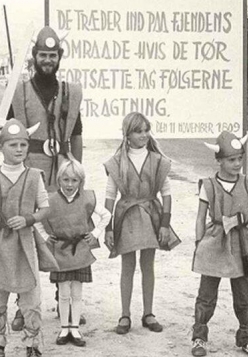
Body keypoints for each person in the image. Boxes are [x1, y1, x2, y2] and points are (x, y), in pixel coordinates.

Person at [9, 25, 84, 330]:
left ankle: (64, 302)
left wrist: (77, 172)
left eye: (53, 55)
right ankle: (21, 306)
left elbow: (76, 133)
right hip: (31, 171)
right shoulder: (21, 91)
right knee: (25, 239)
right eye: (43, 54)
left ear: (59, 57)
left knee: (63, 235)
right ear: (35, 57)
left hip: (63, 170)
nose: (48, 60)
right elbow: (13, 137)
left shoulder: (71, 92)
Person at [0, 118, 58, 357]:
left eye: (23, 145)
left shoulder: (34, 176)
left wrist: (28, 219)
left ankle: (32, 345)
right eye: (13, 145)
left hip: (24, 241)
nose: (19, 150)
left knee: (30, 296)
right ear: (0, 147)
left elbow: (45, 209)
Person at [103, 112, 181, 335]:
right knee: (127, 266)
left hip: (151, 215)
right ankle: (125, 314)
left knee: (148, 265)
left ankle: (148, 313)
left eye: (147, 130)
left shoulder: (158, 160)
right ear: (127, 134)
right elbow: (109, 195)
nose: (144, 135)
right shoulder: (117, 161)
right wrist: (108, 227)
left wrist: (165, 224)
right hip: (126, 215)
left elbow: (166, 193)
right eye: (138, 131)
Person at [190, 131, 248, 357]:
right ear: (219, 161)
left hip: (242, 244)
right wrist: (198, 245)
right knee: (206, 294)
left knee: (243, 296)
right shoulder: (209, 185)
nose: (237, 164)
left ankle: (246, 336)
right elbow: (200, 217)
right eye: (231, 160)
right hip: (215, 242)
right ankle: (199, 337)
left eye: (239, 158)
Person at [42, 159, 111, 347]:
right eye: (65, 180)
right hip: (61, 251)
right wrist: (45, 236)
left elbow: (106, 215)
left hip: (80, 250)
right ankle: (64, 328)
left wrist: (95, 233)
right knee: (63, 292)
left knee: (77, 292)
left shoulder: (87, 198)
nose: (70, 184)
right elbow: (38, 218)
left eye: (74, 180)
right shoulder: (51, 199)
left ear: (81, 181)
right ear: (59, 180)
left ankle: (75, 328)